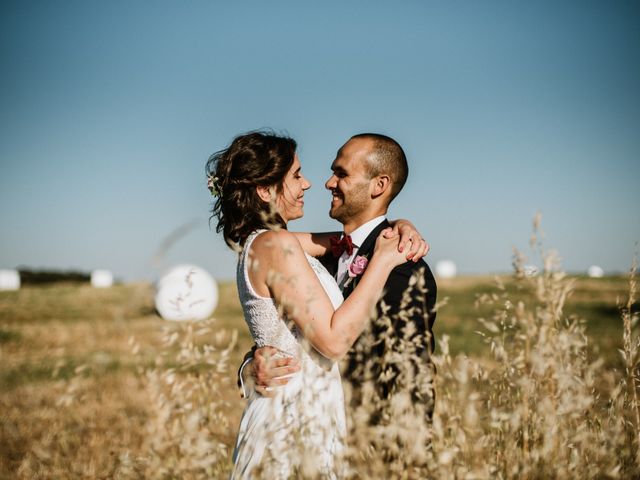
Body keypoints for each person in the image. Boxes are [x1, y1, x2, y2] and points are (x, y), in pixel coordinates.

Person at [206, 131, 422, 479]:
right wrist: (382, 261)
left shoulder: (268, 243)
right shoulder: (276, 246)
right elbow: (334, 341)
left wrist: (400, 224)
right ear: (264, 190)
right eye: (295, 175)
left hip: (314, 411)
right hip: (295, 416)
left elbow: (349, 240)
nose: (309, 183)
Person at [250, 133, 438, 420]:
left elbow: (405, 379)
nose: (328, 183)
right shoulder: (315, 259)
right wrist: (253, 364)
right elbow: (294, 334)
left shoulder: (402, 268)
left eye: (342, 173)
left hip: (368, 446)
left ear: (380, 185)